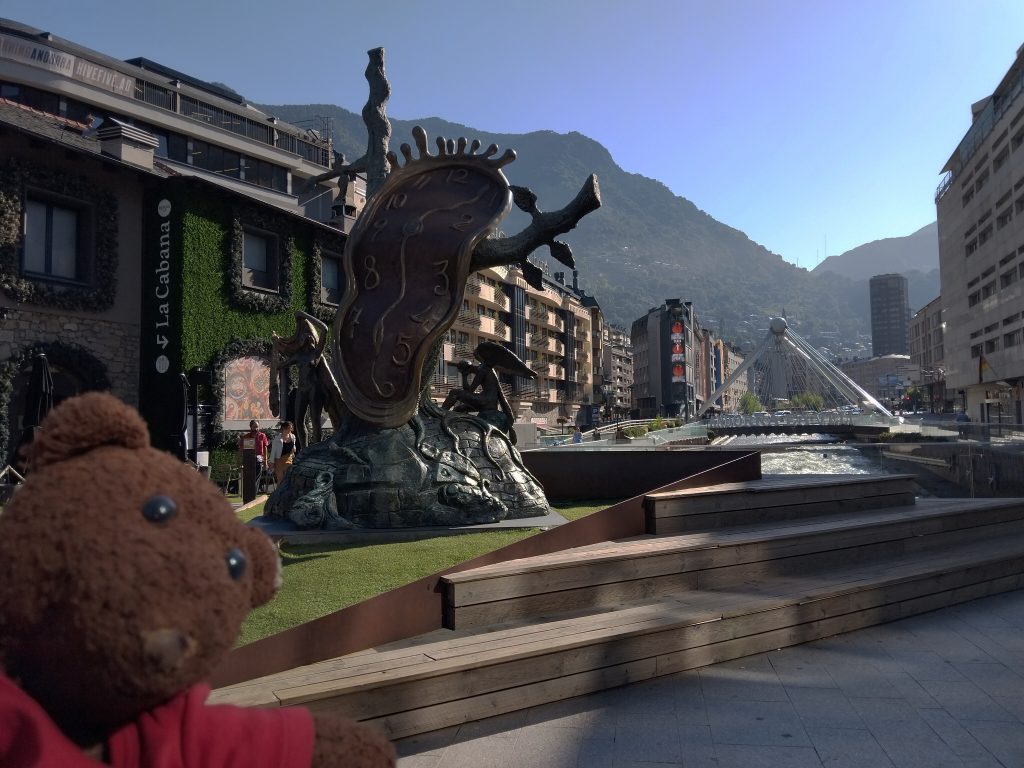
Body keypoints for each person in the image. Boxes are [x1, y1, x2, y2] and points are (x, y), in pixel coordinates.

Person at [238, 420, 269, 495]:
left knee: (256, 479)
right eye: (254, 427)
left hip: (259, 460)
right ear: (250, 427)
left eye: (257, 427)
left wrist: (265, 461)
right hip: (248, 460)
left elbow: (265, 448)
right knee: (249, 479)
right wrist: (240, 462)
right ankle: (249, 495)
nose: (256, 429)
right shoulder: (246, 437)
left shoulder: (262, 436)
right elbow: (241, 450)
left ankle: (253, 495)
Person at [270, 421, 298, 486]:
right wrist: (271, 462)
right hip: (279, 460)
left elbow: (294, 446)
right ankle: (278, 495)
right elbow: (273, 451)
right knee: (280, 480)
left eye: (291, 428)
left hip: (288, 459)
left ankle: (287, 495)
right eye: (288, 428)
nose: (290, 430)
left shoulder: (293, 437)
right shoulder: (277, 439)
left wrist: (294, 449)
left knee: (288, 479)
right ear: (284, 428)